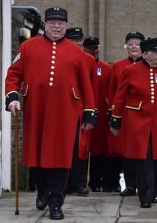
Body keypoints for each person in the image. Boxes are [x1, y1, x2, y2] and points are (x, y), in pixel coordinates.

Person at [5, 7, 96, 220]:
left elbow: (86, 85)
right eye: (52, 23)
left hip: (66, 112)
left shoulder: (76, 53)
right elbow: (13, 75)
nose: (57, 26)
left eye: (61, 23)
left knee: (61, 159)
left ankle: (56, 202)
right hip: (36, 109)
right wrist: (12, 97)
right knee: (36, 155)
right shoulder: (28, 47)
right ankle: (42, 191)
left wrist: (90, 112)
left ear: (66, 25)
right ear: (45, 25)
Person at [110, 37, 157, 208]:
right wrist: (115, 120)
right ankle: (145, 196)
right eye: (156, 52)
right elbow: (120, 96)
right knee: (143, 159)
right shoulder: (130, 71)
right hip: (138, 122)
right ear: (145, 54)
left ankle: (152, 192)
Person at [108, 31, 145, 196]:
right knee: (127, 151)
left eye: (137, 44)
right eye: (130, 44)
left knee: (144, 151)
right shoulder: (117, 66)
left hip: (144, 115)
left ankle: (145, 186)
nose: (134, 47)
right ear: (126, 48)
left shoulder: (150, 65)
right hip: (125, 115)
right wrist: (113, 114)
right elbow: (112, 92)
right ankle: (130, 185)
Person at [65, 27, 98, 196]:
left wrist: (91, 111)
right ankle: (65, 184)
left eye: (79, 40)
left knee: (81, 149)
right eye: (73, 40)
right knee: (65, 147)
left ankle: (80, 183)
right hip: (64, 109)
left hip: (82, 110)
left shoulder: (89, 60)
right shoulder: (61, 56)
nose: (77, 43)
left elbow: (92, 87)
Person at [83, 37, 117, 192]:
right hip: (83, 113)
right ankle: (79, 182)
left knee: (101, 150)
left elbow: (112, 92)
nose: (95, 50)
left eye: (96, 47)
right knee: (81, 150)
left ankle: (98, 182)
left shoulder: (106, 68)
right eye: (91, 48)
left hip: (101, 115)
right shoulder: (80, 64)